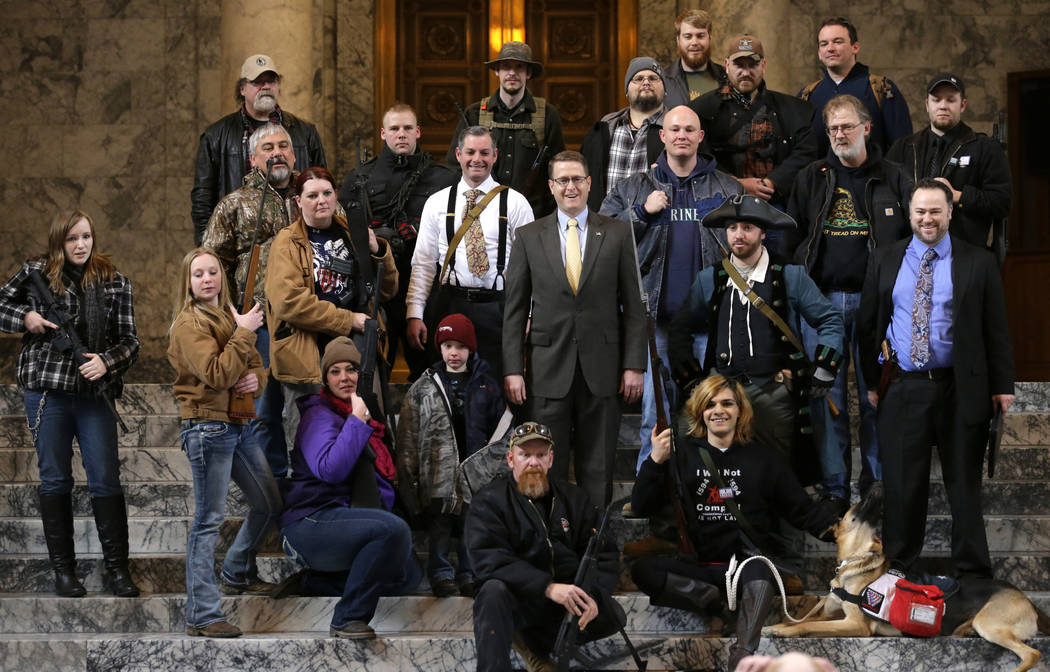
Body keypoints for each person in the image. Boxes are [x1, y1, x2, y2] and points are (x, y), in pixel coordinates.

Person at [858, 178, 1015, 579]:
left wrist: (1003, 386)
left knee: (963, 487)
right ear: (910, 215)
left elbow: (995, 327)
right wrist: (875, 383)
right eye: (920, 212)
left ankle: (973, 573)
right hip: (904, 387)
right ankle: (900, 570)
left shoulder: (978, 260)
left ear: (950, 212)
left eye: (935, 211)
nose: (927, 219)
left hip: (961, 387)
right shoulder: (886, 257)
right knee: (903, 488)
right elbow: (868, 325)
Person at [630, 375, 839, 672]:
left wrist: (843, 531)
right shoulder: (681, 454)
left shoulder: (763, 458)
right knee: (642, 569)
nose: (719, 410)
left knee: (761, 569)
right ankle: (717, 606)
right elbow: (641, 506)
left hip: (746, 565)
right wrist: (655, 460)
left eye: (727, 403)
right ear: (700, 411)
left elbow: (802, 510)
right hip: (699, 568)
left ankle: (742, 659)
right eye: (710, 404)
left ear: (740, 410)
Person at [0, 210, 140, 598]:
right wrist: (25, 316)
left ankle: (117, 571)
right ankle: (64, 572)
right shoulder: (37, 273)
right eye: (72, 238)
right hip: (47, 392)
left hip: (94, 396)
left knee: (105, 481)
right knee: (55, 480)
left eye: (87, 237)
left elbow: (131, 341)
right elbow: (0, 304)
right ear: (59, 242)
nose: (81, 245)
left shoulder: (115, 283)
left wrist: (105, 361)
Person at [787, 94, 912, 512]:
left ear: (866, 128)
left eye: (847, 126)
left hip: (881, 307)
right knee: (826, 398)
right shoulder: (811, 177)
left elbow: (914, 240)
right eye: (833, 129)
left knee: (879, 394)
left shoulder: (895, 177)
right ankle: (834, 484)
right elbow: (792, 237)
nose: (840, 135)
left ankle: (876, 481)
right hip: (822, 307)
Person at [600, 104, 741, 470]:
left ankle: (715, 488)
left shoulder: (727, 188)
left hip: (711, 324)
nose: (681, 135)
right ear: (662, 136)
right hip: (657, 325)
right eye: (674, 129)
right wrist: (642, 213)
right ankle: (651, 489)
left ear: (700, 137)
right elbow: (602, 241)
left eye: (689, 130)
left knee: (716, 413)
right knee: (655, 414)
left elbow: (753, 242)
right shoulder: (633, 188)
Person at [503, 151, 647, 508]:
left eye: (577, 179)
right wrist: (512, 369)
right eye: (563, 180)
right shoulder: (528, 236)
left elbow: (634, 306)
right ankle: (552, 541)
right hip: (546, 370)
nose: (571, 187)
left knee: (598, 467)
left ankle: (592, 550)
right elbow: (515, 310)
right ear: (551, 187)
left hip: (603, 371)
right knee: (545, 465)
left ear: (589, 183)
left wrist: (634, 365)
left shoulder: (616, 233)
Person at [668, 195, 843, 470]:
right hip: (721, 391)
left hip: (773, 390)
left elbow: (830, 319)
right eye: (732, 228)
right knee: (709, 461)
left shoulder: (790, 276)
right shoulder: (710, 278)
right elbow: (679, 329)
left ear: (763, 233)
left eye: (747, 228)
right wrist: (692, 382)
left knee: (781, 468)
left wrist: (825, 366)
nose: (739, 235)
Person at [167, 248, 282, 638]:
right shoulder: (188, 324)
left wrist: (257, 381)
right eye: (198, 274)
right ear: (188, 282)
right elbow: (217, 373)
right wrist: (246, 331)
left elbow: (252, 368)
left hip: (239, 423)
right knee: (208, 520)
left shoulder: (230, 316)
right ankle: (203, 614)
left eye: (212, 271)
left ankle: (236, 568)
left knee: (268, 502)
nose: (207, 279)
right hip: (206, 427)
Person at [280, 337, 419, 639]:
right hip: (311, 521)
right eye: (335, 371)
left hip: (343, 517)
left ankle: (316, 584)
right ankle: (347, 617)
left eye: (351, 369)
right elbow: (331, 470)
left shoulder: (358, 412)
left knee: (408, 576)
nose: (344, 377)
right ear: (325, 378)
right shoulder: (320, 416)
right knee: (393, 531)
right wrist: (356, 421)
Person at [202, 122, 317, 481]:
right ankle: (270, 489)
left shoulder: (314, 196)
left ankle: (310, 481)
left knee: (311, 407)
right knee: (265, 411)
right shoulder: (234, 204)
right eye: (267, 148)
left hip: (308, 322)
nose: (277, 153)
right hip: (259, 322)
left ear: (295, 154)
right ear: (253, 159)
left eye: (284, 145)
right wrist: (228, 316)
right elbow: (210, 263)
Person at [264, 167, 398, 468]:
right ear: (298, 201)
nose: (321, 201)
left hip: (356, 350)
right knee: (310, 439)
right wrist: (347, 319)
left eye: (327, 193)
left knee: (365, 432)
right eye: (312, 195)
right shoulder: (286, 242)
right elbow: (289, 303)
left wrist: (378, 252)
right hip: (306, 352)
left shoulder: (352, 231)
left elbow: (386, 290)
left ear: (335, 195)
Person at [466, 421, 625, 672]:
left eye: (540, 455)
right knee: (492, 592)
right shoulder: (489, 501)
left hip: (562, 603)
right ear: (510, 458)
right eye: (525, 455)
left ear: (551, 459)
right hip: (521, 600)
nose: (533, 462)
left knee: (612, 615)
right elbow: (487, 560)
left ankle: (537, 650)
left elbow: (604, 554)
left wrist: (592, 594)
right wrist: (547, 587)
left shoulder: (574, 498)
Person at [338, 104, 458, 379]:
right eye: (394, 129)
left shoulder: (444, 178)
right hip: (379, 288)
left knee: (431, 370)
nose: (401, 134)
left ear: (418, 132)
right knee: (376, 370)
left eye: (407, 128)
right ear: (383, 133)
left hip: (428, 286)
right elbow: (345, 232)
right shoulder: (360, 178)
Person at [396, 313, 510, 598]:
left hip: (475, 473)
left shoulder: (487, 385)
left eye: (460, 346)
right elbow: (408, 435)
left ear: (471, 348)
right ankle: (441, 571)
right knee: (441, 524)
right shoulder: (424, 387)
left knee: (472, 524)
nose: (454, 353)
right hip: (439, 473)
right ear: (440, 348)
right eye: (447, 346)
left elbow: (503, 429)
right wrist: (410, 479)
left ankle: (470, 573)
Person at [407, 127, 533, 380]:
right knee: (450, 385)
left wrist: (528, 314)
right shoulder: (437, 202)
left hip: (497, 308)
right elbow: (423, 263)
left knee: (495, 385)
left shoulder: (516, 202)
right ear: (458, 154)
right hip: (449, 304)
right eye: (471, 152)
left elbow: (529, 268)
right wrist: (414, 312)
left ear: (495, 155)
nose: (478, 158)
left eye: (485, 152)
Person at [690, 34, 819, 256]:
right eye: (740, 65)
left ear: (764, 66)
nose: (746, 71)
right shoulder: (701, 109)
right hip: (721, 210)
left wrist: (772, 181)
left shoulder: (792, 109)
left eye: (753, 65)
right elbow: (696, 153)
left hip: (773, 209)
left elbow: (806, 152)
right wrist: (737, 184)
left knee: (776, 274)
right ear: (727, 65)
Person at [191, 54, 327, 244]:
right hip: (240, 246)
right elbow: (203, 199)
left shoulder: (305, 133)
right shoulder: (216, 136)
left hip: (299, 242)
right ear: (242, 89)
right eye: (257, 82)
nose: (265, 87)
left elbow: (322, 185)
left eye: (271, 81)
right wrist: (206, 248)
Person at [886, 74, 1012, 252]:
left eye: (951, 100)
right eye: (936, 100)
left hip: (964, 255)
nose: (943, 106)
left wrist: (957, 196)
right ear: (927, 105)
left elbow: (1002, 202)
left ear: (963, 105)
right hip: (911, 254)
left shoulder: (985, 148)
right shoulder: (904, 148)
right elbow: (883, 199)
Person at [445, 41, 565, 217]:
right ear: (496, 71)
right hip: (481, 214)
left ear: (528, 73)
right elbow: (454, 167)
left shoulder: (547, 114)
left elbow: (559, 170)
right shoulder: (475, 114)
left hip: (533, 216)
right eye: (506, 66)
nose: (512, 73)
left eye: (519, 67)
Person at [798, 17, 912, 155]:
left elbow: (903, 149)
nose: (830, 48)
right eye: (824, 44)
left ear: (855, 47)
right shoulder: (807, 95)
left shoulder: (882, 89)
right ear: (819, 53)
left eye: (837, 41)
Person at [580, 56, 668, 212]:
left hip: (655, 227)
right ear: (627, 90)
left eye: (653, 78)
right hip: (606, 226)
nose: (646, 82)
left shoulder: (676, 130)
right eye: (638, 78)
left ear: (665, 90)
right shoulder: (603, 129)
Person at [663, 8, 727, 108]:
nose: (694, 42)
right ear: (678, 40)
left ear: (709, 38)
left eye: (700, 36)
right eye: (688, 36)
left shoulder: (727, 78)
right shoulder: (662, 81)